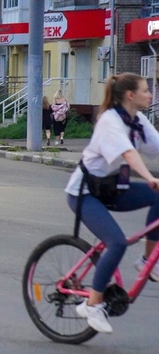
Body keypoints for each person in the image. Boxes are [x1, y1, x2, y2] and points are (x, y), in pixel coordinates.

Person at [64, 73, 159, 334]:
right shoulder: (110, 121)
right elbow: (128, 154)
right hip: (84, 192)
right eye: (145, 90)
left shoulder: (137, 121)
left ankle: (148, 260)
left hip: (112, 189)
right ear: (131, 95)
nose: (150, 95)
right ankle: (92, 304)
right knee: (117, 241)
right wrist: (150, 177)